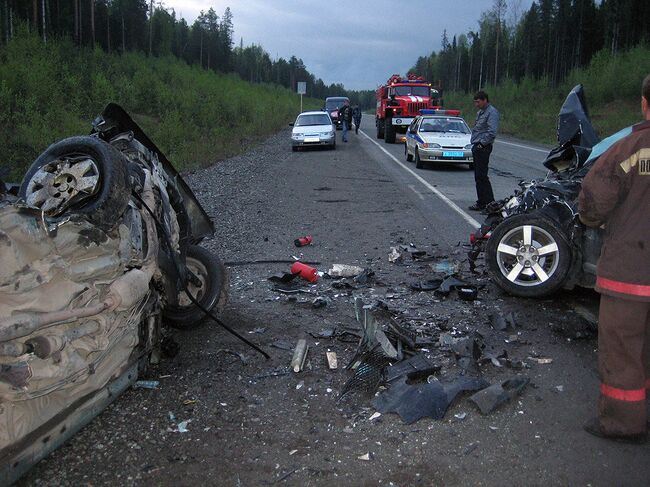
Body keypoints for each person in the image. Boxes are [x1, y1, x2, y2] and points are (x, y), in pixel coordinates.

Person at [578, 74, 650, 444]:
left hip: (632, 275)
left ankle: (623, 423)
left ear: (644, 103)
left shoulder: (630, 149)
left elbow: (591, 205)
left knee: (623, 349)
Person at [469, 91, 500, 211]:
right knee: (478, 176)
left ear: (485, 100)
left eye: (478, 102)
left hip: (483, 147)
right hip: (476, 145)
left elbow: (492, 132)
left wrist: (482, 144)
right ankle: (481, 202)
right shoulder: (480, 113)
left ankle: (490, 203)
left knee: (482, 176)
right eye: (475, 102)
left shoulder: (492, 113)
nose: (476, 104)